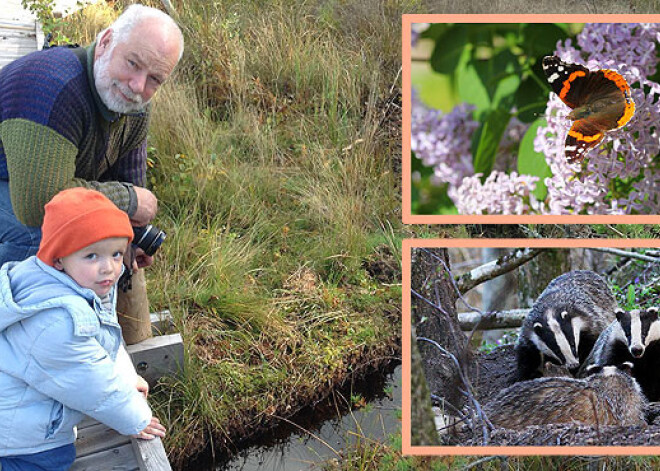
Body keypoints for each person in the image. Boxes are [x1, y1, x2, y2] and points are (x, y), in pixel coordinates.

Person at [0, 3, 184, 266]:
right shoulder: (50, 85)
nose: (138, 85)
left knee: (99, 243)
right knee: (40, 234)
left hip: (17, 187)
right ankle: (14, 305)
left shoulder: (133, 104)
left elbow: (128, 181)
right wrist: (128, 201)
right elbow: (37, 205)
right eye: (133, 63)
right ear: (106, 41)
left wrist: (127, 240)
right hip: (18, 195)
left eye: (155, 78)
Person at [0, 187, 166, 471]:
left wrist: (126, 376)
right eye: (92, 256)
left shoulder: (71, 281)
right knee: (52, 461)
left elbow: (102, 338)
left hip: (21, 409)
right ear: (59, 258)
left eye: (116, 253)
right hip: (22, 441)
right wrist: (136, 418)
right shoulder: (57, 322)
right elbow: (94, 382)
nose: (109, 268)